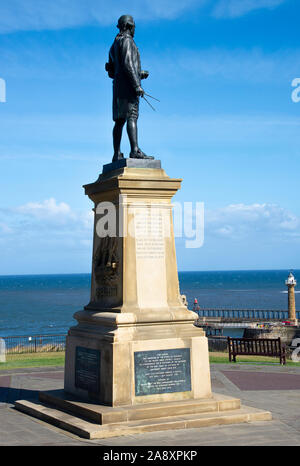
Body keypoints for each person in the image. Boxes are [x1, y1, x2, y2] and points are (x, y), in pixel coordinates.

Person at [106, 15, 154, 162]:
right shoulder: (127, 41)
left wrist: (139, 74)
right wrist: (137, 85)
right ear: (128, 26)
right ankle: (135, 150)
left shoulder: (114, 45)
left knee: (119, 121)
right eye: (133, 26)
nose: (134, 30)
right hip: (128, 88)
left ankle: (117, 154)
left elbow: (111, 71)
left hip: (118, 88)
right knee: (132, 117)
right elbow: (128, 64)